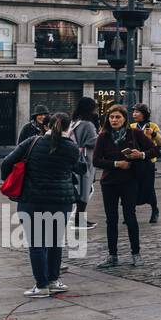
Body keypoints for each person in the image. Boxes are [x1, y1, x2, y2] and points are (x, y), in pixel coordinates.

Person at [3, 112, 78, 298]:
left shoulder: (32, 142)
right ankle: (53, 281)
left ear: (47, 126)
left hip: (32, 200)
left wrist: (10, 179)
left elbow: (7, 162)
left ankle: (41, 285)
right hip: (61, 201)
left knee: (37, 243)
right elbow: (81, 168)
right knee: (54, 242)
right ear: (68, 128)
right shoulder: (71, 147)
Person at [92, 104, 154, 268]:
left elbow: (154, 150)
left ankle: (136, 253)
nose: (114, 120)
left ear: (124, 119)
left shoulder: (134, 134)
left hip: (129, 181)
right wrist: (116, 164)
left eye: (117, 117)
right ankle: (112, 255)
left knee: (130, 217)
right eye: (111, 117)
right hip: (109, 183)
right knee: (111, 219)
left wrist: (140, 154)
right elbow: (96, 160)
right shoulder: (103, 136)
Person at [69, 97, 99, 231]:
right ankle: (79, 220)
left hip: (75, 160)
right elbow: (94, 142)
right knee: (85, 190)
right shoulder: (88, 124)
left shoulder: (74, 122)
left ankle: (79, 218)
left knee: (81, 189)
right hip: (86, 161)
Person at [130, 103, 161, 224]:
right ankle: (130, 211)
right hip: (134, 161)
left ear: (144, 114)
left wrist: (153, 134)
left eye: (137, 112)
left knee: (149, 188)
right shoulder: (132, 126)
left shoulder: (153, 126)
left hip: (148, 161)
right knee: (132, 188)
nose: (134, 114)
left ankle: (154, 210)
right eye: (133, 112)